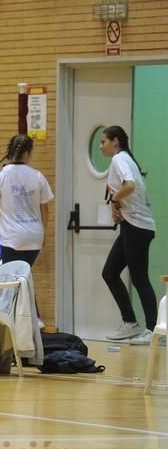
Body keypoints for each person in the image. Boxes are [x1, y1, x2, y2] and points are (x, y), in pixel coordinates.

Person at [99, 125, 157, 344]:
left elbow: (130, 186)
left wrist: (115, 201)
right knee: (110, 272)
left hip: (138, 227)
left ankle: (153, 330)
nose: (100, 145)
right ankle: (130, 324)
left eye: (103, 141)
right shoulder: (125, 159)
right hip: (132, 225)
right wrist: (118, 208)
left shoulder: (119, 159)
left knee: (139, 277)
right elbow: (128, 190)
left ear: (115, 141)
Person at [0, 134, 53, 272]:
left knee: (13, 280)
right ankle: (27, 294)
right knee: (23, 276)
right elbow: (45, 209)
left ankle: (22, 294)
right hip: (34, 236)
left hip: (12, 238)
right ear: (27, 153)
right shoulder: (38, 176)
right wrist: (43, 232)